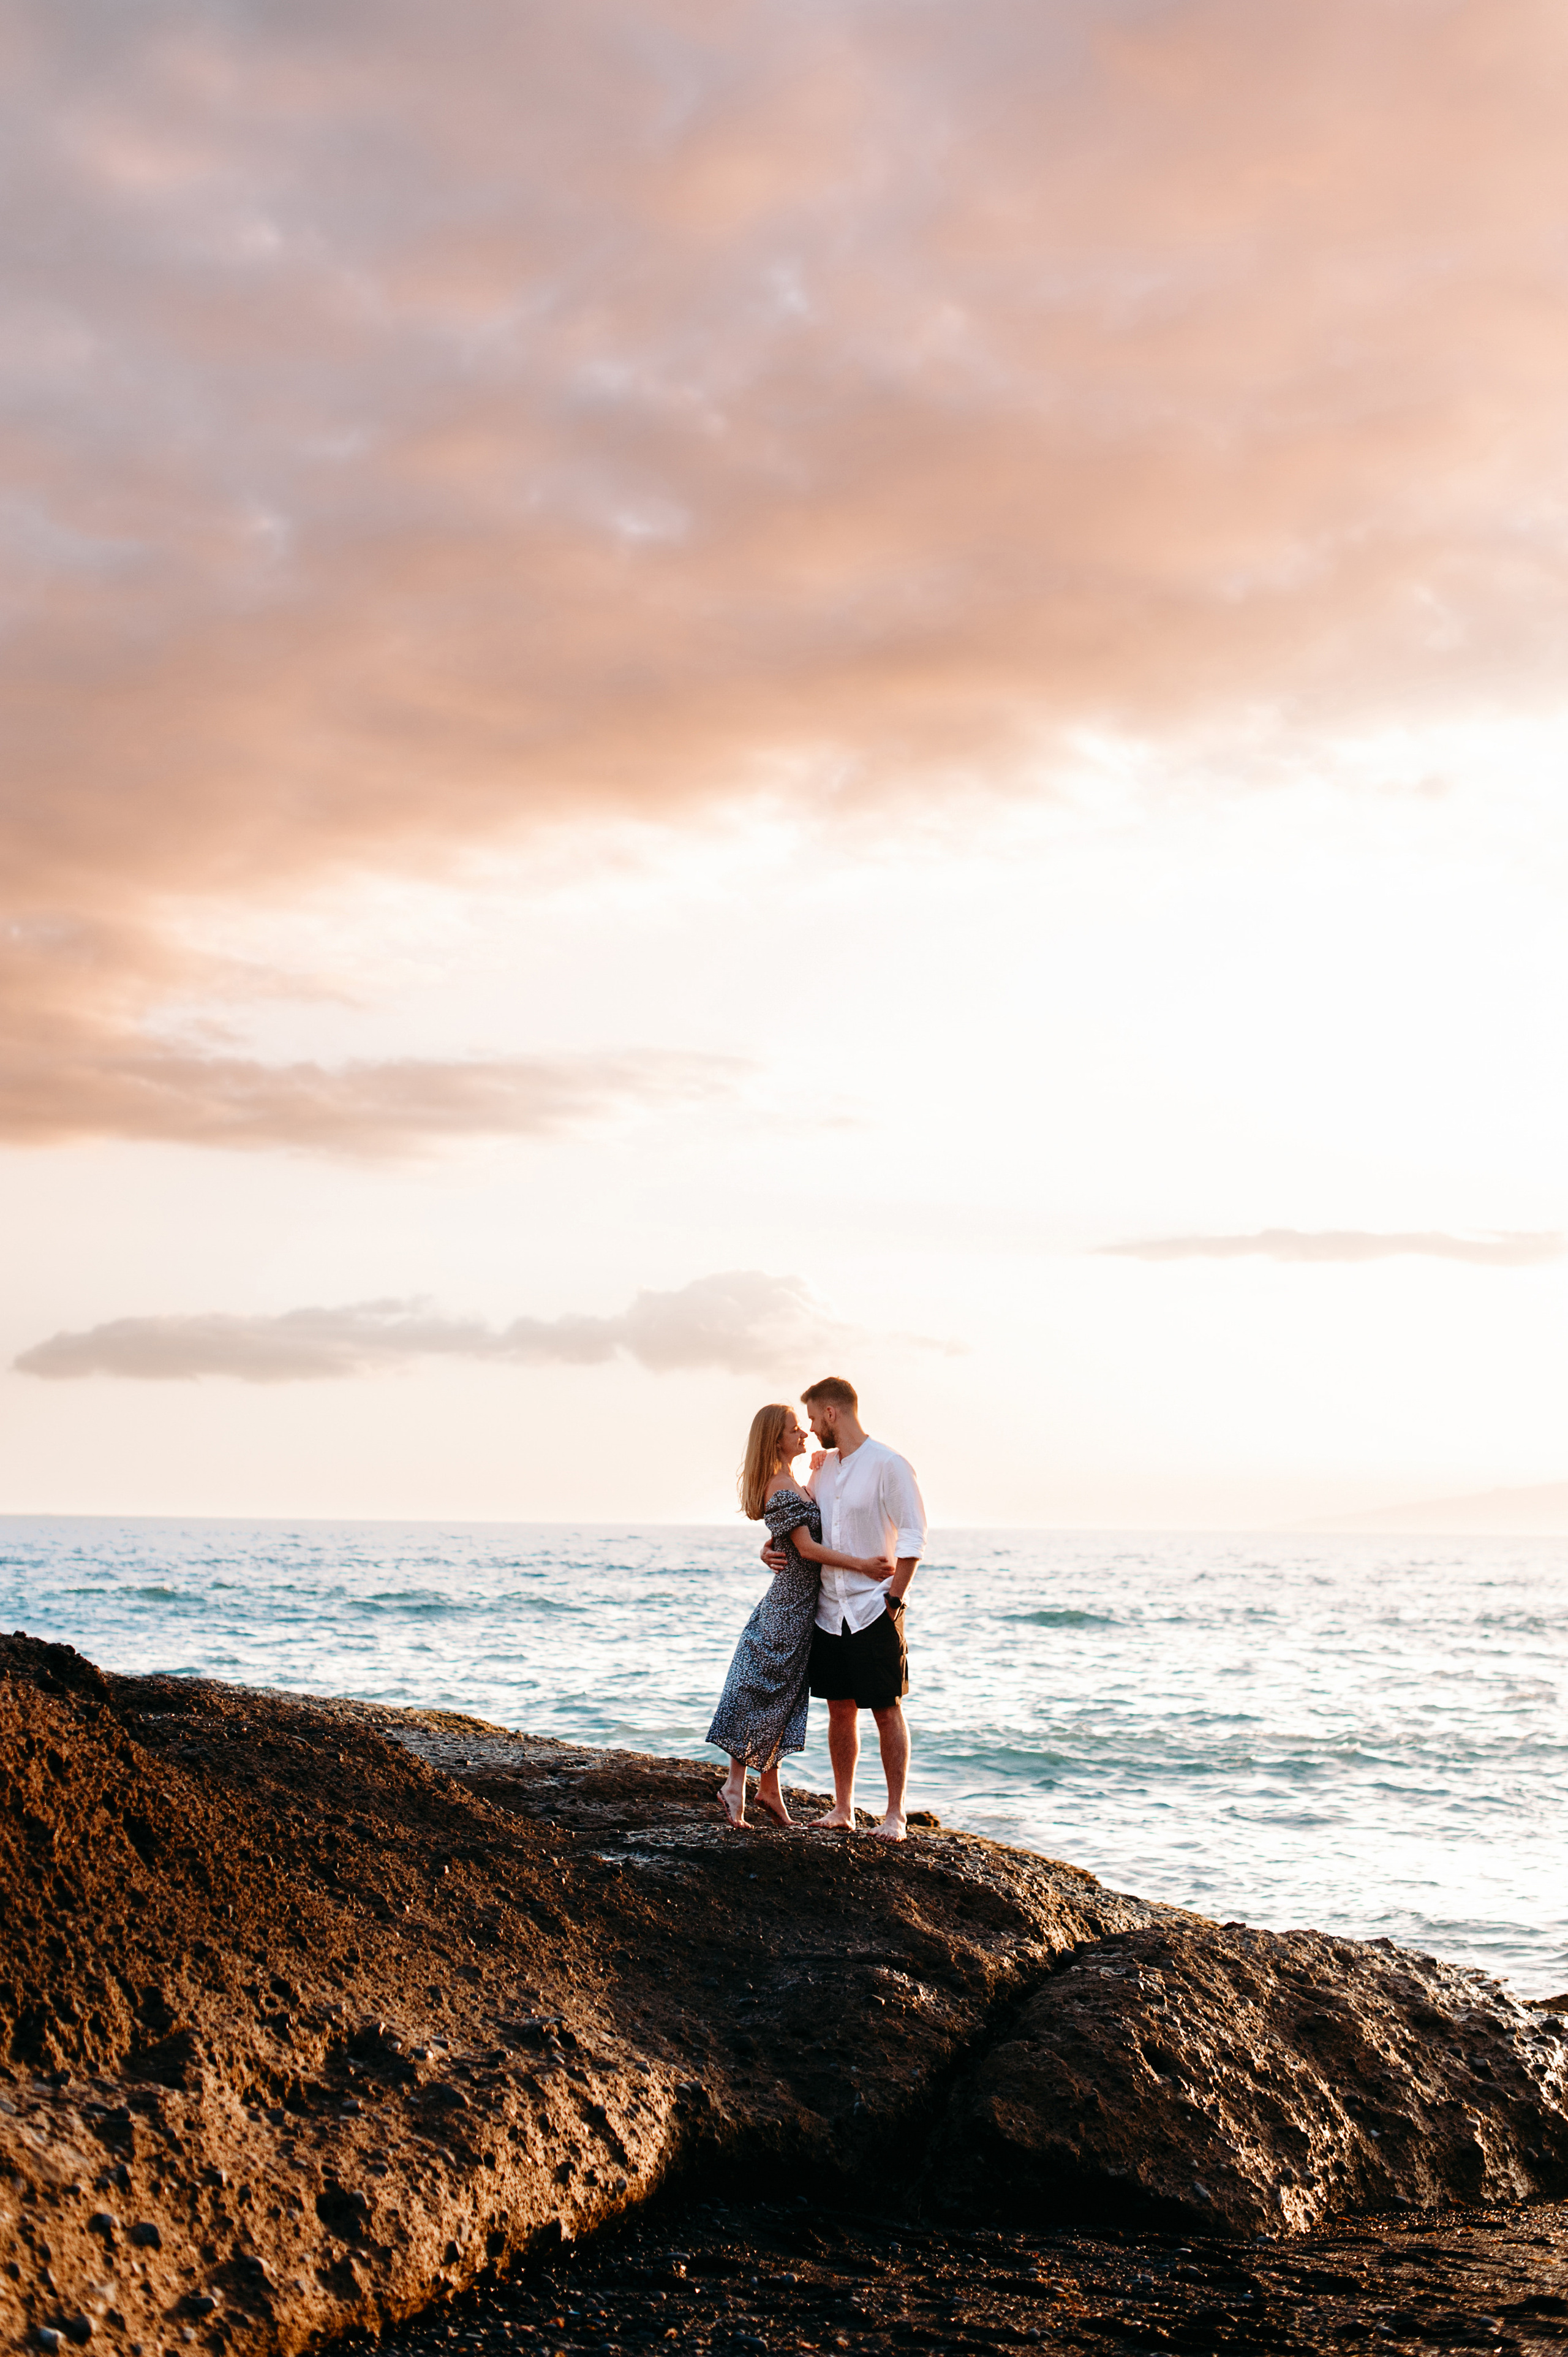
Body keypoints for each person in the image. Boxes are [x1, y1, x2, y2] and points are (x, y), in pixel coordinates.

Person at [707, 1402, 895, 1829]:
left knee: (783, 1696)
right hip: (787, 1608)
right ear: (776, 1439)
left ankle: (769, 1790)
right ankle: (735, 1786)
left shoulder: (793, 1479)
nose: (804, 1434)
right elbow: (807, 1549)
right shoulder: (779, 1486)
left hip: (806, 1606)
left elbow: (791, 1538)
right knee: (761, 1693)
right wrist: (862, 1565)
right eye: (795, 1429)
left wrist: (824, 1462)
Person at [760, 1375, 926, 1842]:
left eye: (814, 1418)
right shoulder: (822, 1470)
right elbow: (798, 1522)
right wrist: (768, 1547)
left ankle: (895, 1815)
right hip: (828, 1611)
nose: (811, 1428)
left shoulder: (889, 1464)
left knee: (887, 1710)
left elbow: (914, 1536)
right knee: (840, 1710)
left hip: (875, 1607)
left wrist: (895, 1599)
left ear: (832, 1413)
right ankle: (843, 1808)